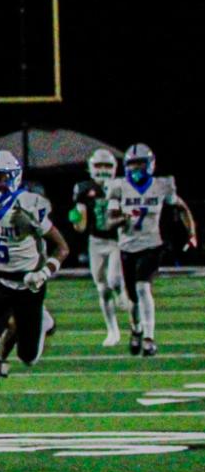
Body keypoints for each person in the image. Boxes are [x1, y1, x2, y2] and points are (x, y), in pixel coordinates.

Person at [0, 150, 70, 433]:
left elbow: (63, 247)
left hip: (29, 282)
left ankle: (45, 323)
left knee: (28, 357)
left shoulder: (29, 206)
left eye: (1, 178)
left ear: (14, 179)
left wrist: (45, 271)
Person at [108, 142, 197, 358]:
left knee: (142, 287)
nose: (136, 169)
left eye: (140, 164)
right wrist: (124, 217)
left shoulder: (162, 185)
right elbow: (109, 222)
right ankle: (137, 329)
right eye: (132, 164)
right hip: (127, 247)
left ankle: (149, 337)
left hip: (152, 245)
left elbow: (182, 208)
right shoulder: (118, 186)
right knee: (133, 299)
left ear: (150, 165)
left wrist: (192, 233)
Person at [71, 148, 126, 347]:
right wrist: (74, 217)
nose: (103, 170)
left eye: (107, 166)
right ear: (90, 168)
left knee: (113, 280)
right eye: (99, 165)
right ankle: (113, 331)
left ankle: (121, 291)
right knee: (102, 289)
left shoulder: (121, 186)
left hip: (117, 241)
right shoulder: (84, 188)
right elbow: (80, 222)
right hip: (95, 241)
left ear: (115, 168)